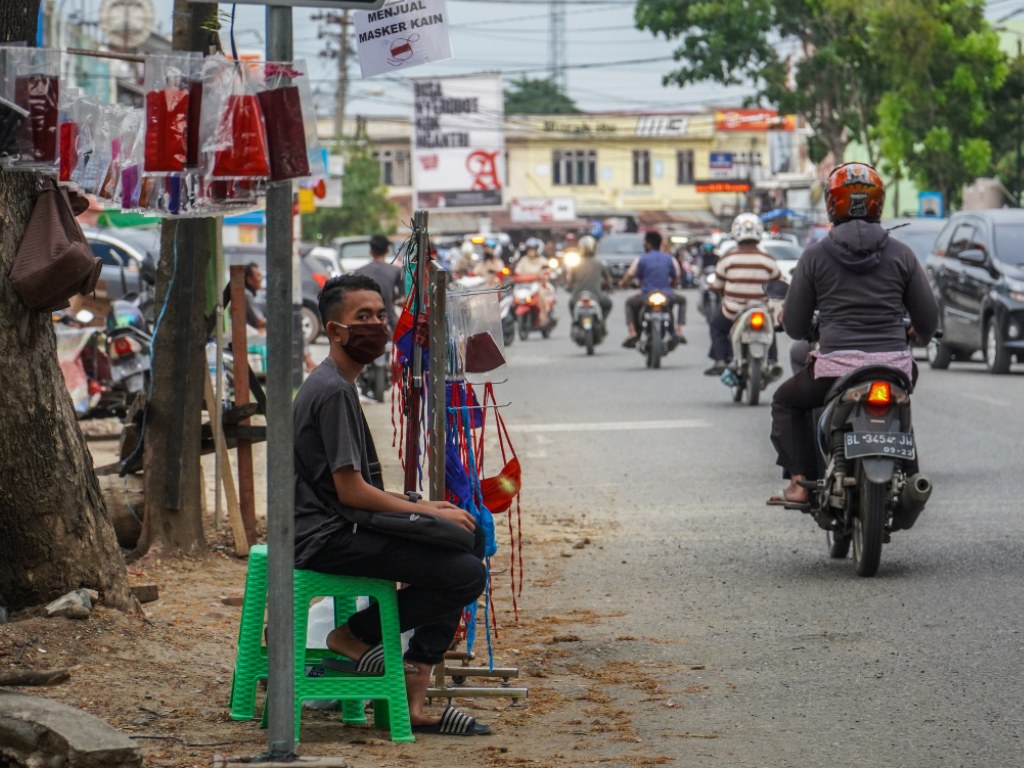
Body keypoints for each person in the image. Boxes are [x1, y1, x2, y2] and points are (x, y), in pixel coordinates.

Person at [293, 274, 491, 736]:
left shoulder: (336, 382)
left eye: (381, 315)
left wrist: (421, 504)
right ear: (333, 329)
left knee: (469, 536)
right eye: (362, 317)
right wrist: (422, 510)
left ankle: (414, 687)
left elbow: (353, 486)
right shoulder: (334, 391)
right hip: (330, 535)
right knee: (464, 570)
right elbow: (351, 492)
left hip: (347, 522)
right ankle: (356, 639)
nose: (377, 325)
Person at [768, 162, 938, 506]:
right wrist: (911, 332)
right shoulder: (903, 254)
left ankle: (800, 483)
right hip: (894, 370)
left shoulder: (814, 256)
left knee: (785, 401)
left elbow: (797, 328)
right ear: (879, 203)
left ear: (833, 204)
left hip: (835, 372)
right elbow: (928, 320)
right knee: (901, 404)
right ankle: (911, 475)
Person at [704, 214, 781, 376]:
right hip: (761, 309)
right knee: (771, 330)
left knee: (717, 327)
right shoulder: (767, 259)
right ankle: (773, 361)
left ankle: (720, 360)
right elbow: (778, 283)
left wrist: (715, 288)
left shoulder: (728, 258)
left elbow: (718, 284)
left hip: (733, 310)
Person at [619, 230, 686, 348]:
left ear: (648, 244)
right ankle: (678, 329)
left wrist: (623, 284)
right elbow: (676, 279)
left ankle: (632, 332)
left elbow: (635, 277)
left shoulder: (641, 259)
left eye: (645, 243)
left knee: (629, 303)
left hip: (646, 296)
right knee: (682, 300)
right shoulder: (669, 259)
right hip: (666, 295)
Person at [354, 235, 403, 331]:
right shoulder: (396, 271)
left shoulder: (359, 272)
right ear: (387, 250)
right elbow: (403, 295)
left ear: (370, 251)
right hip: (389, 320)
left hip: (364, 321)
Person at [567, 234, 613, 319]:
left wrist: (569, 288)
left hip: (577, 296)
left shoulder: (575, 264)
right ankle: (602, 322)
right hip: (597, 295)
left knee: (570, 304)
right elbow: (609, 280)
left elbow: (570, 282)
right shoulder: (599, 263)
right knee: (608, 304)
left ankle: (575, 321)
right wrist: (608, 287)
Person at [513, 240, 554, 327]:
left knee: (542, 294)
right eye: (529, 249)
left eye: (533, 249)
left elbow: (547, 272)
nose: (531, 252)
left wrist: (542, 275)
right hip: (525, 285)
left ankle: (543, 316)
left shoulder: (542, 261)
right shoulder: (524, 260)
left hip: (539, 284)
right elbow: (517, 272)